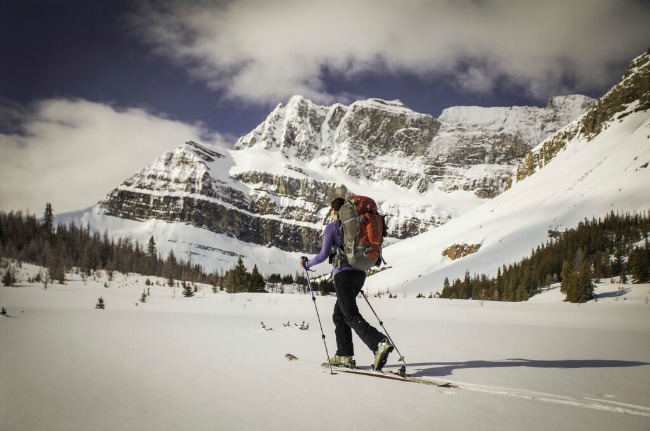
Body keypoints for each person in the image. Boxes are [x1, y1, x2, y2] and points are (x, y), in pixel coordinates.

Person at [300, 197, 393, 371]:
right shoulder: (357, 225)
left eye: (330, 210)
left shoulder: (332, 227)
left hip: (343, 276)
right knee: (339, 315)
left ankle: (379, 343)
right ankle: (344, 355)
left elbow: (322, 255)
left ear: (335, 211)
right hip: (360, 274)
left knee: (349, 315)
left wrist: (307, 264)